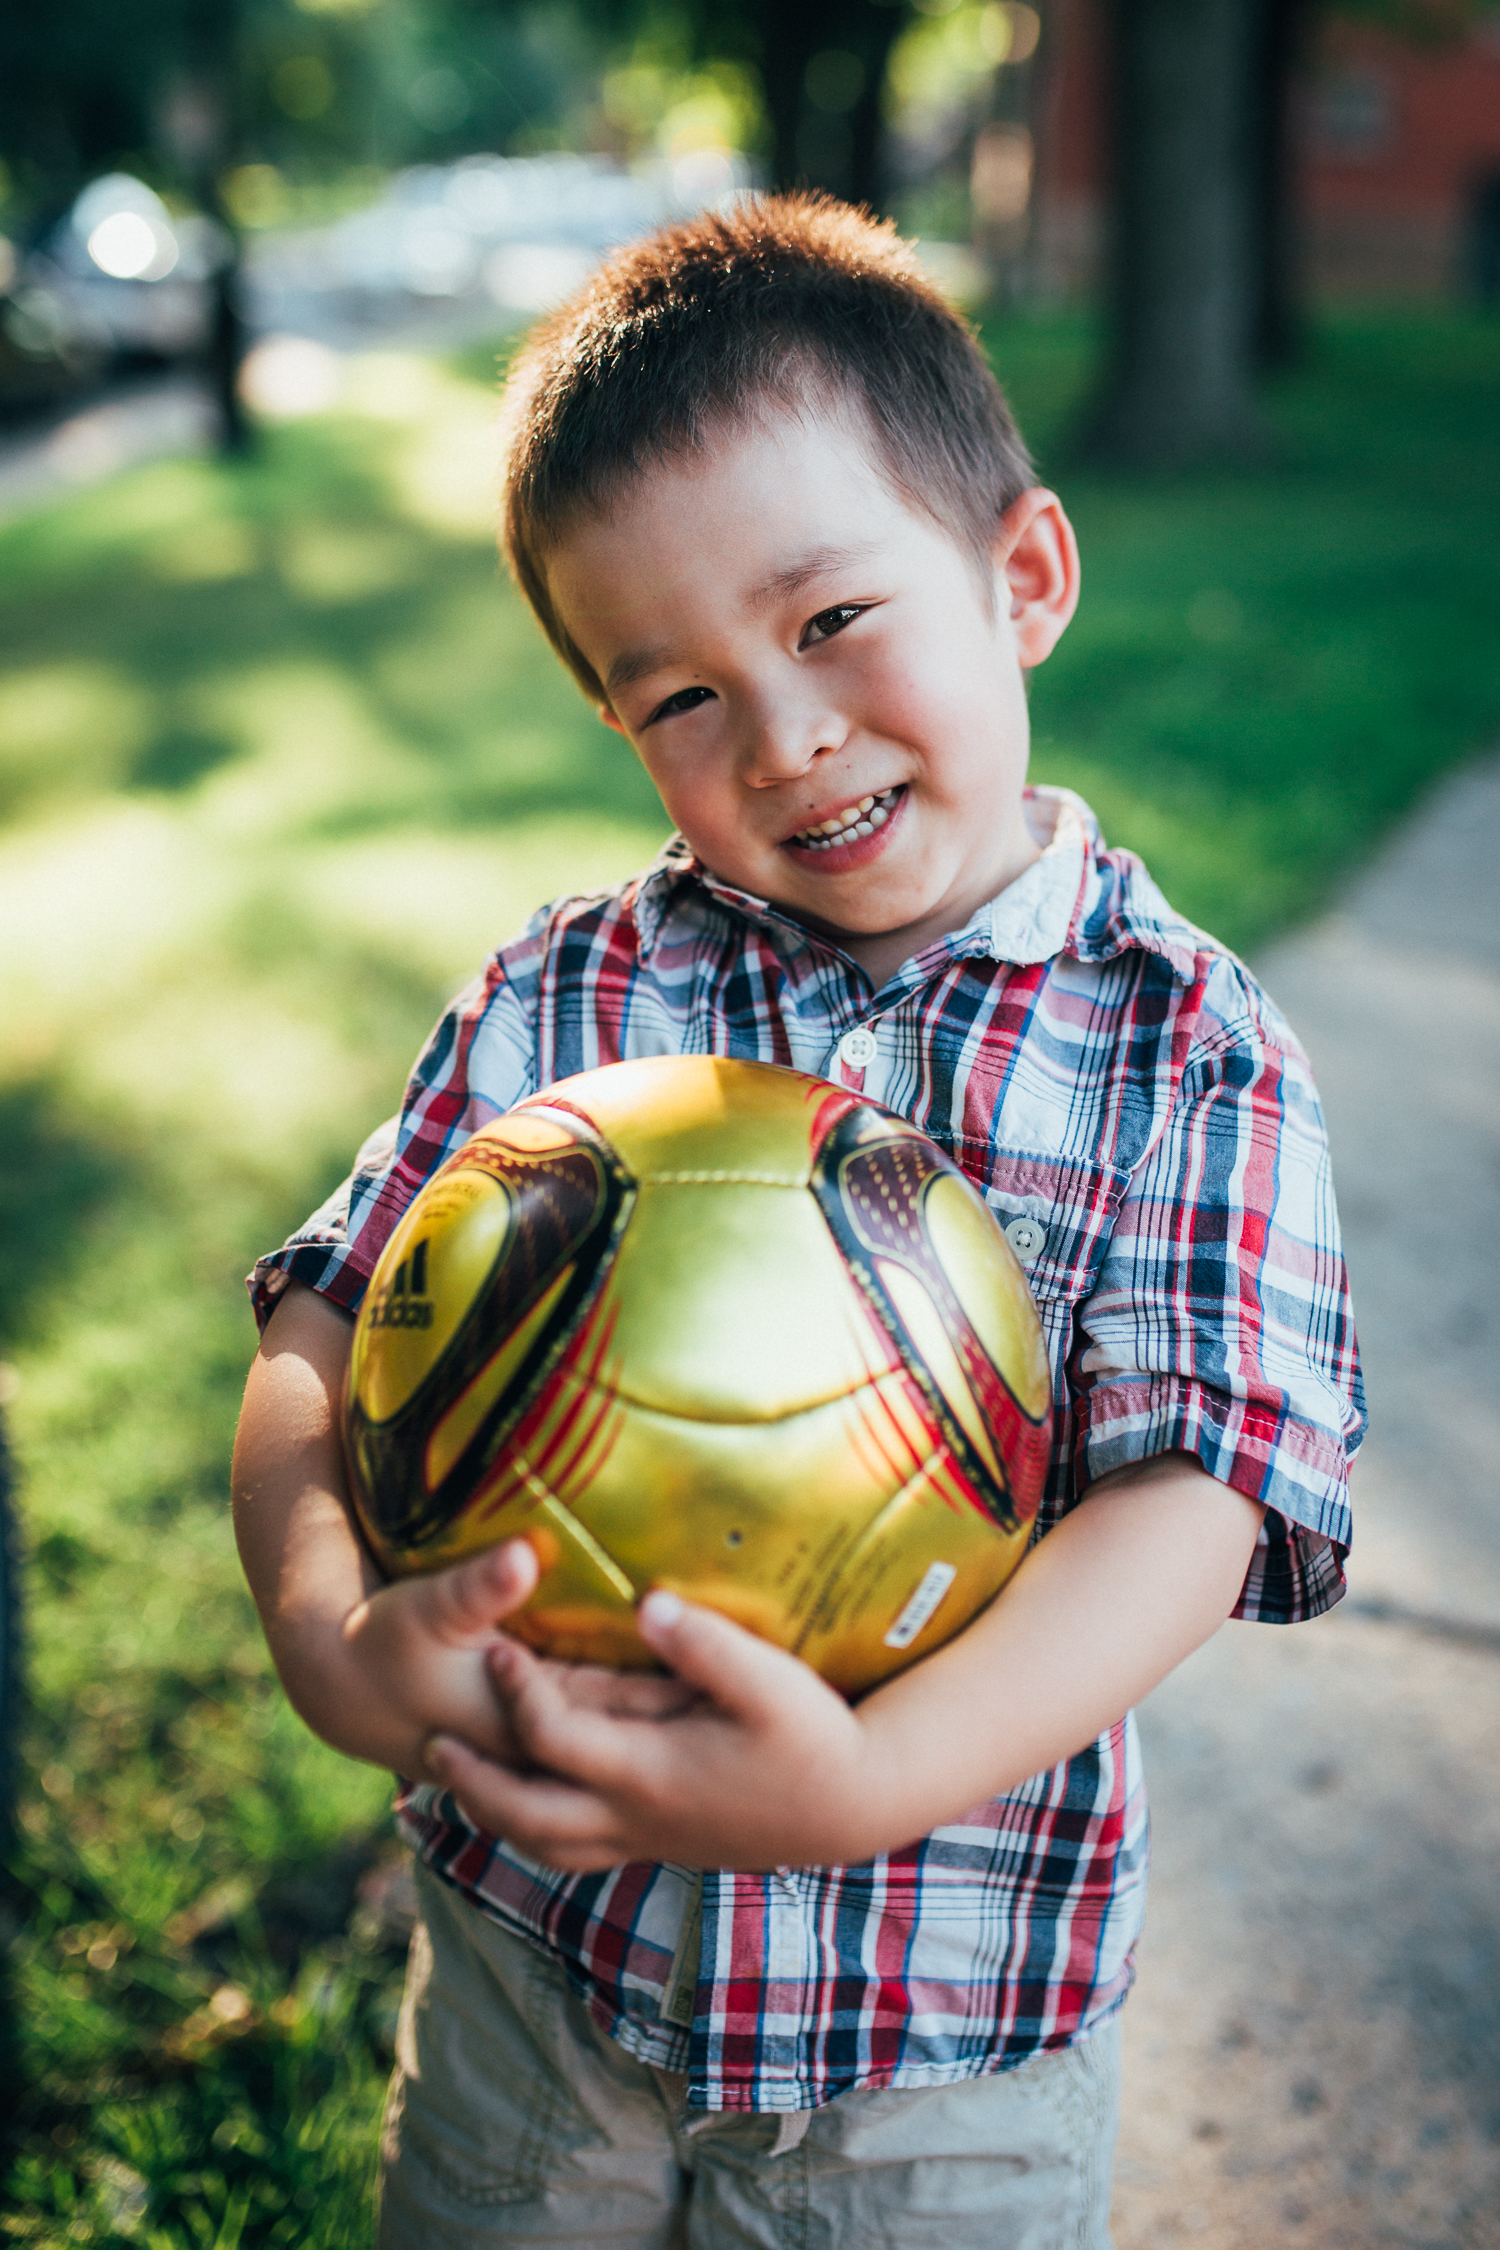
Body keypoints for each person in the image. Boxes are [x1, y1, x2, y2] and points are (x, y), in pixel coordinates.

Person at [231, 196, 1363, 2248]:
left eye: (831, 618)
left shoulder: (1188, 1045)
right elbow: (322, 1323)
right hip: (534, 1972)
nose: (782, 733)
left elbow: (1201, 1499)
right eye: (676, 697)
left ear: (1021, 575)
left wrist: (865, 1781)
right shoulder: (569, 1004)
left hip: (937, 2035)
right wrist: (330, 1630)